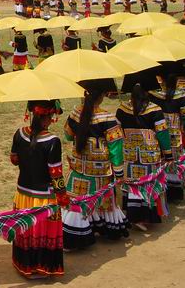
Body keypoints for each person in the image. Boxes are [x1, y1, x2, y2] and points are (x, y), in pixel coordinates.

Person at [61, 79, 129, 250]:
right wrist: (119, 174)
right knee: (102, 200)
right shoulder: (108, 118)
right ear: (103, 95)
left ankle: (74, 231)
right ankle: (102, 228)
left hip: (78, 168)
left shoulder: (76, 112)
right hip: (101, 172)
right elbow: (115, 150)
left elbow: (68, 136)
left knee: (77, 201)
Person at [9, 100, 67, 279]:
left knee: (26, 231)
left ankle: (25, 265)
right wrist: (63, 196)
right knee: (41, 232)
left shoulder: (19, 133)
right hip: (44, 199)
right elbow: (56, 174)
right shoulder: (52, 141)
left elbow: (14, 159)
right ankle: (40, 267)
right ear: (48, 117)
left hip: (23, 193)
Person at [116, 86, 172, 231]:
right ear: (147, 94)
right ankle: (144, 216)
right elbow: (162, 134)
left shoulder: (122, 109)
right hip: (149, 155)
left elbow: (117, 130)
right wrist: (168, 154)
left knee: (132, 182)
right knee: (147, 183)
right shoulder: (155, 109)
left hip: (130, 154)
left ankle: (133, 214)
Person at [148, 66, 185, 202]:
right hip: (174, 136)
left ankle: (158, 192)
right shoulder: (182, 95)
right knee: (173, 163)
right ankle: (173, 194)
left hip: (155, 136)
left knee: (158, 162)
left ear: (160, 78)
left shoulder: (153, 94)